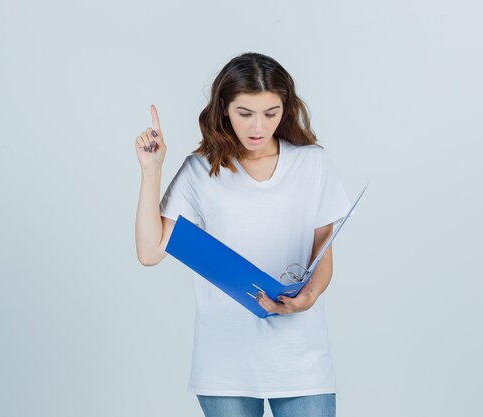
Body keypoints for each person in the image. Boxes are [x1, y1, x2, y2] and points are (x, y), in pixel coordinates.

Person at [134, 52, 350, 417]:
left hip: (301, 358)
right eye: (244, 113)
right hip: (225, 362)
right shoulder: (201, 170)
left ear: (286, 109)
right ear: (224, 109)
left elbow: (323, 254)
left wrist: (309, 297)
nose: (258, 127)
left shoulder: (312, 162)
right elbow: (150, 252)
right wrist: (151, 170)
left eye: (271, 113)